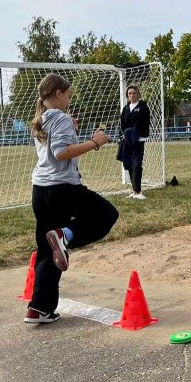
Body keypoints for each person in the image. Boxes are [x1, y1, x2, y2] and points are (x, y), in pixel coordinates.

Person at [28, 73, 119, 324]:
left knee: (47, 251)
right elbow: (60, 153)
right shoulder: (61, 118)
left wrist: (71, 129)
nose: (69, 99)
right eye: (68, 95)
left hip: (40, 190)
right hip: (62, 188)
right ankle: (65, 235)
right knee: (107, 214)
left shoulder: (42, 118)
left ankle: (38, 308)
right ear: (58, 94)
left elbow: (55, 146)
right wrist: (94, 142)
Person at [119, 84, 151, 200]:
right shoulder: (126, 108)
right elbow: (123, 123)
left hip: (139, 140)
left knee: (137, 164)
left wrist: (134, 133)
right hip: (128, 141)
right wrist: (126, 134)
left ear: (138, 94)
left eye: (133, 93)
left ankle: (138, 191)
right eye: (129, 93)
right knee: (129, 165)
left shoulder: (143, 107)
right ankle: (134, 190)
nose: (131, 95)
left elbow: (143, 123)